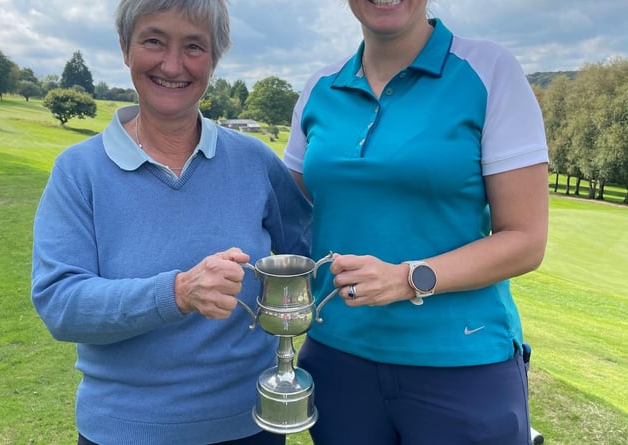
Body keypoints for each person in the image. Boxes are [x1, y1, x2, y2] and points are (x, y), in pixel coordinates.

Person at [31, 1, 311, 444]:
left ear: (214, 60)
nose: (173, 64)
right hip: (123, 432)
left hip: (250, 426)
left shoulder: (254, 160)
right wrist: (177, 292)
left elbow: (311, 250)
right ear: (126, 48)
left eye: (194, 46)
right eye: (154, 40)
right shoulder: (77, 171)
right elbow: (61, 307)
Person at [283, 1, 549, 444]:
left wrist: (408, 279)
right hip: (336, 361)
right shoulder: (318, 88)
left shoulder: (489, 70)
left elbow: (525, 239)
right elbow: (288, 209)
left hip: (461, 364)